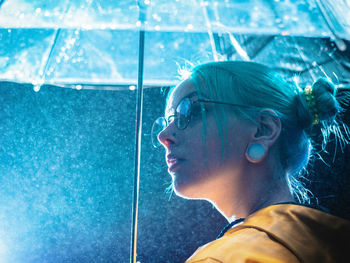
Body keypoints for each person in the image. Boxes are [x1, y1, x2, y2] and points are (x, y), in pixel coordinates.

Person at [151, 61, 350, 263]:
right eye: (168, 121)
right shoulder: (332, 241)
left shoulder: (228, 258)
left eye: (189, 111)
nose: (164, 135)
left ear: (263, 130)